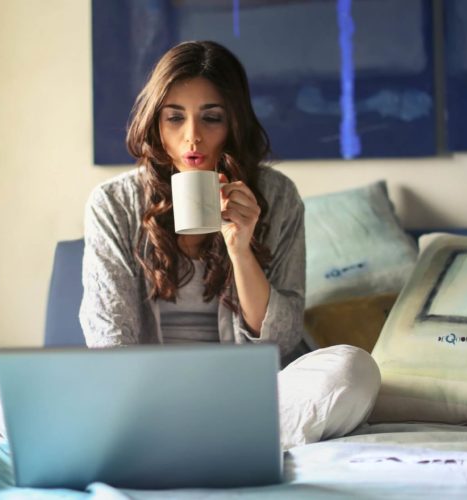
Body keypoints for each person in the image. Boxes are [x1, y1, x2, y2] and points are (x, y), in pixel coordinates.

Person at [78, 40, 380, 450]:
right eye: (175, 118)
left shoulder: (278, 196)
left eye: (211, 118)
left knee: (353, 369)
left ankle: (186, 439)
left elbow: (282, 340)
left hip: (249, 395)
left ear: (233, 122)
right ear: (155, 123)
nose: (193, 138)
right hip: (146, 396)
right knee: (6, 395)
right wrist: (138, 398)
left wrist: (241, 249)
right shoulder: (114, 203)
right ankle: (217, 438)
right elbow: (109, 338)